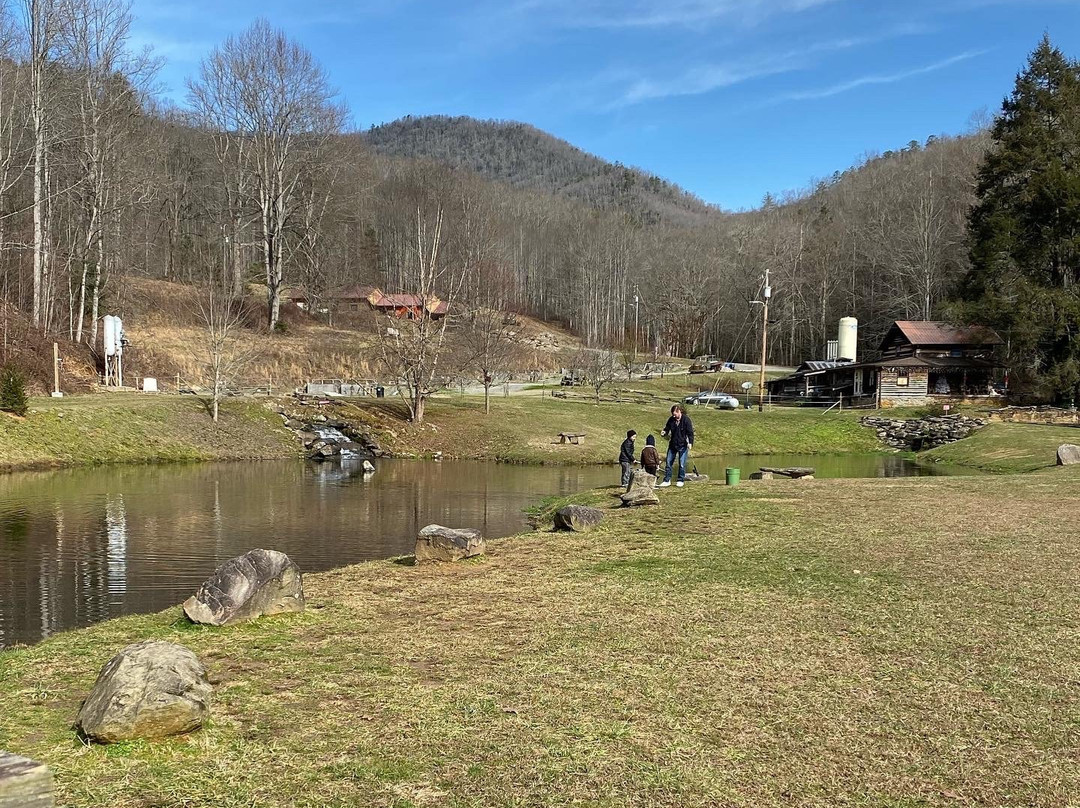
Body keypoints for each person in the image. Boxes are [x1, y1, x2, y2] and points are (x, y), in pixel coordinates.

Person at [659, 404, 694, 487]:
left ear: (679, 412)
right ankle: (667, 480)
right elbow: (667, 428)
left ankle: (680, 480)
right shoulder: (671, 419)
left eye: (675, 413)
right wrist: (664, 432)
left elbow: (690, 433)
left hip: (683, 445)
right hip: (673, 444)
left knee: (682, 463)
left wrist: (690, 443)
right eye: (673, 414)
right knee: (668, 462)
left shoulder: (686, 420)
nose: (674, 415)